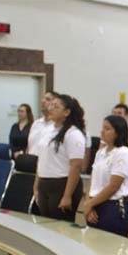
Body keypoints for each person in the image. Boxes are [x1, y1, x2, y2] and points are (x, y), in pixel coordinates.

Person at [33, 93, 85, 221]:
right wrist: (36, 187)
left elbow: (76, 166)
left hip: (62, 184)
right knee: (45, 224)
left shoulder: (73, 133)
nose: (50, 109)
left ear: (66, 112)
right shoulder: (47, 131)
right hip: (44, 183)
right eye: (50, 106)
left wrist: (67, 196)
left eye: (55, 107)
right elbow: (41, 161)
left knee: (60, 226)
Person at [84, 115, 128, 236]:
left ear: (117, 132)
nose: (102, 131)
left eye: (107, 128)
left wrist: (90, 204)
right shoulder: (101, 152)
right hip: (95, 203)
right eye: (103, 128)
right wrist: (88, 202)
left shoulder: (123, 152)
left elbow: (113, 186)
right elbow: (92, 178)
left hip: (112, 207)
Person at [27, 90, 57, 156]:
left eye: (48, 99)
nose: (43, 101)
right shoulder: (36, 123)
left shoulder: (57, 126)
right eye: (43, 98)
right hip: (31, 162)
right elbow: (29, 146)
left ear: (55, 104)